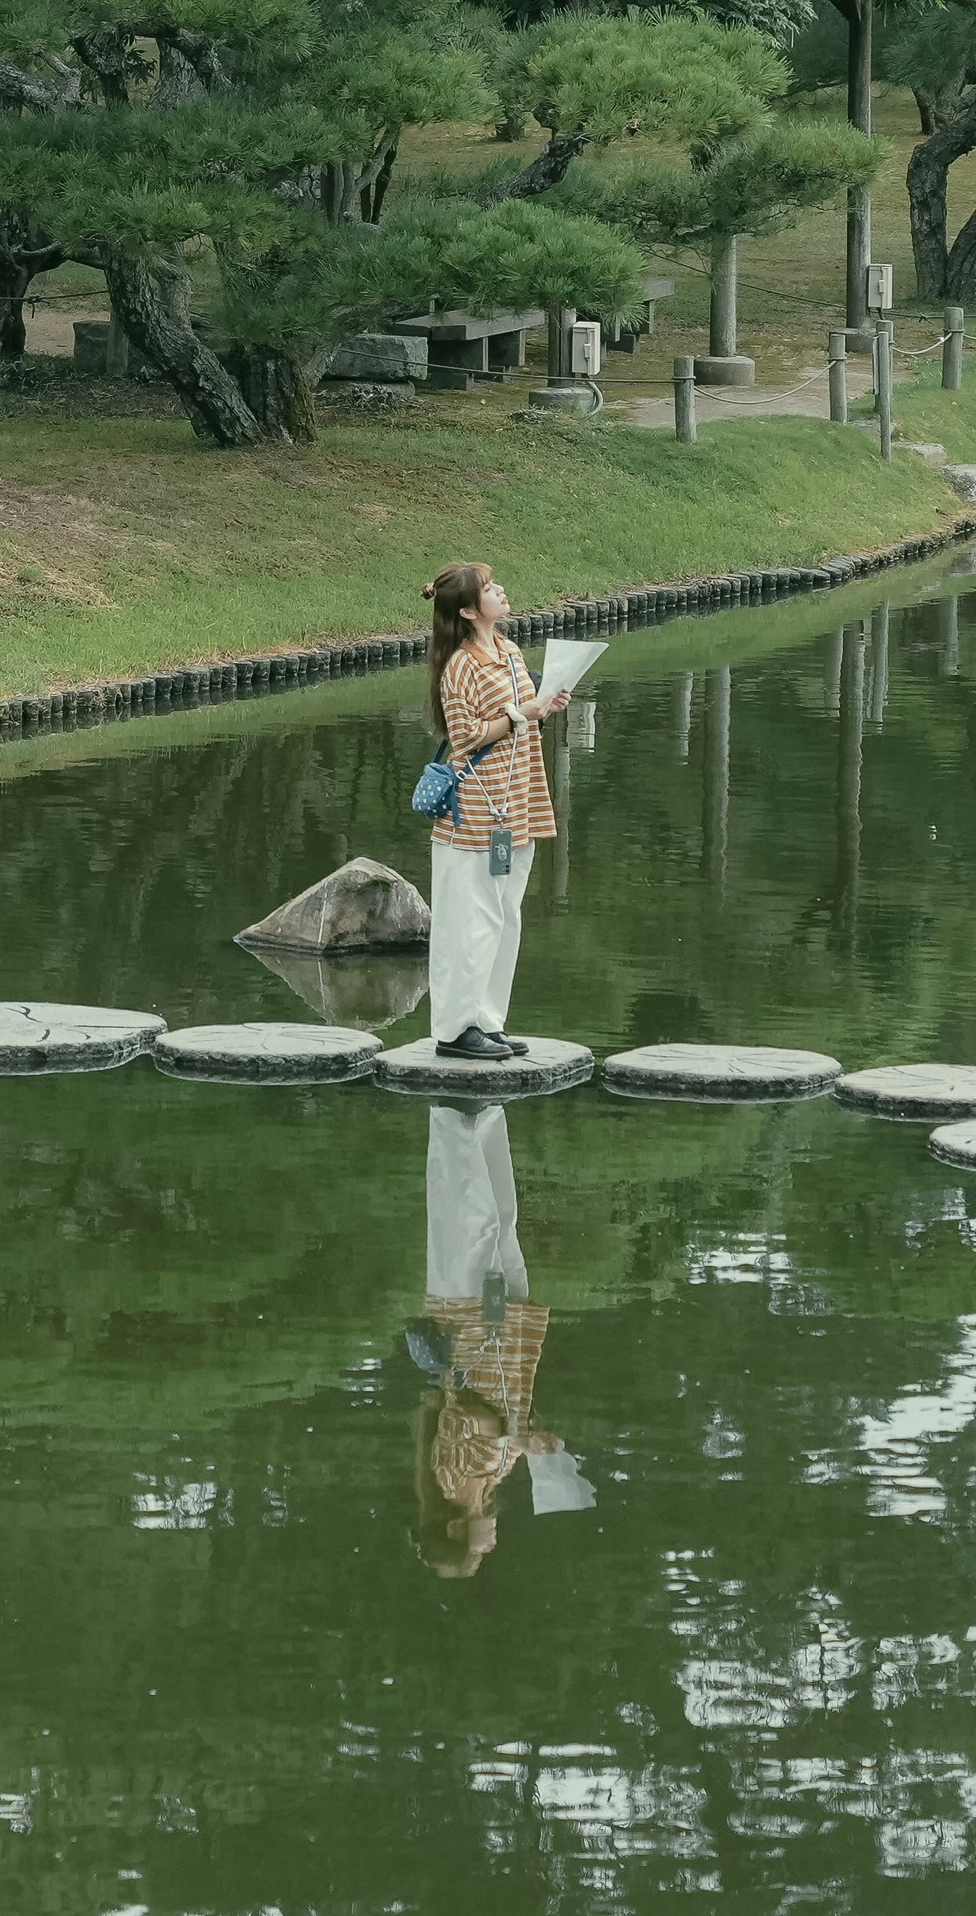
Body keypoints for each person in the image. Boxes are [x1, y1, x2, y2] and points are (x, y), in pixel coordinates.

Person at [418, 558, 570, 1062]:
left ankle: (487, 1020)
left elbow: (521, 722)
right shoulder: (459, 665)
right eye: (488, 588)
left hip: (518, 801)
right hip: (477, 808)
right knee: (470, 919)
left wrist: (543, 709)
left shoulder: (509, 651)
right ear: (467, 610)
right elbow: (463, 739)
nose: (500, 590)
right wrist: (518, 715)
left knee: (505, 915)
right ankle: (455, 1028)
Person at [405, 1102, 566, 1579]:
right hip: (503, 1332)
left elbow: (462, 1415)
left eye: (477, 1553)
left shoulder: (451, 1479)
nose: (489, 1546)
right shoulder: (491, 1482)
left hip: (470, 1323)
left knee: (472, 1222)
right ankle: (490, 1114)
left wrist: (510, 1435)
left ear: (456, 1532)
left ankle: (456, 1115)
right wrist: (534, 1438)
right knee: (501, 1225)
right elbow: (511, 1427)